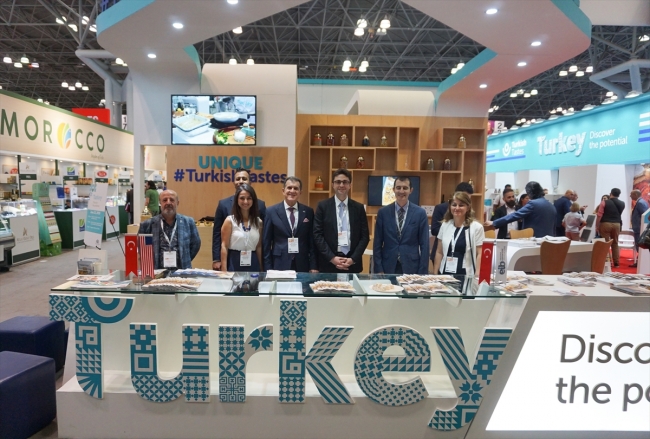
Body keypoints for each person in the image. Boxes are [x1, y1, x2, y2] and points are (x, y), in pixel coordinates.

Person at [313, 168, 369, 273]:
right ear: (332, 185)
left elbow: (365, 237)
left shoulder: (359, 208)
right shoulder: (323, 207)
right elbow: (317, 235)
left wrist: (353, 259)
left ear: (350, 185)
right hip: (329, 263)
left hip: (352, 264)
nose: (341, 185)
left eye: (345, 182)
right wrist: (332, 258)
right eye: (338, 182)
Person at [212, 168, 267, 270]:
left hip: (252, 259)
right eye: (238, 179)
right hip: (233, 258)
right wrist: (217, 259)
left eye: (244, 178)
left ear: (250, 181)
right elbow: (217, 235)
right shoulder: (224, 205)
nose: (245, 202)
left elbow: (261, 242)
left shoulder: (260, 207)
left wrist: (262, 267)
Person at [373, 176, 429, 274]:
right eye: (398, 188)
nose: (401, 191)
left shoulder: (420, 213)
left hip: (412, 267)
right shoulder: (383, 213)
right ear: (393, 190)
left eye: (405, 188)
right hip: (387, 266)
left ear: (411, 190)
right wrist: (379, 268)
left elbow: (425, 244)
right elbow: (377, 243)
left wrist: (422, 272)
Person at [262, 177, 318, 272]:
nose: (292, 191)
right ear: (283, 191)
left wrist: (313, 266)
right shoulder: (271, 211)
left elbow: (312, 241)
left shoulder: (308, 211)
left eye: (296, 188)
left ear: (300, 192)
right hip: (279, 263)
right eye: (289, 188)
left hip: (302, 263)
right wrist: (268, 268)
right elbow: (266, 243)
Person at [137, 189, 201, 269]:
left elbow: (196, 244)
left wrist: (185, 258)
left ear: (177, 203)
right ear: (160, 203)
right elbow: (141, 247)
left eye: (172, 200)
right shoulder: (147, 225)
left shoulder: (188, 222)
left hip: (182, 272)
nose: (168, 203)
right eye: (164, 200)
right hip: (157, 272)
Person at [432, 192, 484, 289]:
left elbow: (479, 254)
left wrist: (477, 275)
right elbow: (439, 252)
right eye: (454, 205)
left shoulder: (476, 227)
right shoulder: (445, 225)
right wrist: (435, 274)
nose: (457, 208)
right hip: (445, 274)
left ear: (468, 207)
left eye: (461, 205)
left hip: (465, 275)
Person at [485, 181, 556, 238]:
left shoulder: (533, 203)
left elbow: (515, 215)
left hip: (533, 240)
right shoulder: (551, 206)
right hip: (548, 241)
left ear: (530, 193)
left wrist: (494, 223)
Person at [221, 184, 263, 271]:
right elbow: (224, 246)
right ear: (237, 200)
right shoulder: (230, 221)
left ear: (253, 200)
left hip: (253, 261)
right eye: (242, 198)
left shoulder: (258, 222)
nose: (245, 201)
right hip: (234, 261)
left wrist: (261, 268)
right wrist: (224, 270)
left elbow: (258, 247)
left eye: (249, 198)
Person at [430, 182, 474, 263]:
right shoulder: (440, 208)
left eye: (468, 199)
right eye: (464, 197)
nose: (466, 201)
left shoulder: (468, 210)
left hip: (460, 253)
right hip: (441, 251)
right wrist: (452, 230)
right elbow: (434, 229)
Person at [596, 188, 625, 268]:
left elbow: (599, 214)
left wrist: (597, 225)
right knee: (615, 243)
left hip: (605, 223)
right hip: (617, 224)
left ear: (610, 193)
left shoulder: (604, 202)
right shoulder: (622, 203)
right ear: (619, 194)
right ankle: (616, 263)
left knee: (605, 243)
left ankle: (606, 261)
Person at [630, 189, 649, 267]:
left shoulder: (640, 203)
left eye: (631, 194)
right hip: (638, 227)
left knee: (639, 245)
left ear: (635, 195)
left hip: (639, 228)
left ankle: (639, 263)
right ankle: (639, 262)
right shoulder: (641, 202)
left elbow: (644, 215)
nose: (630, 196)